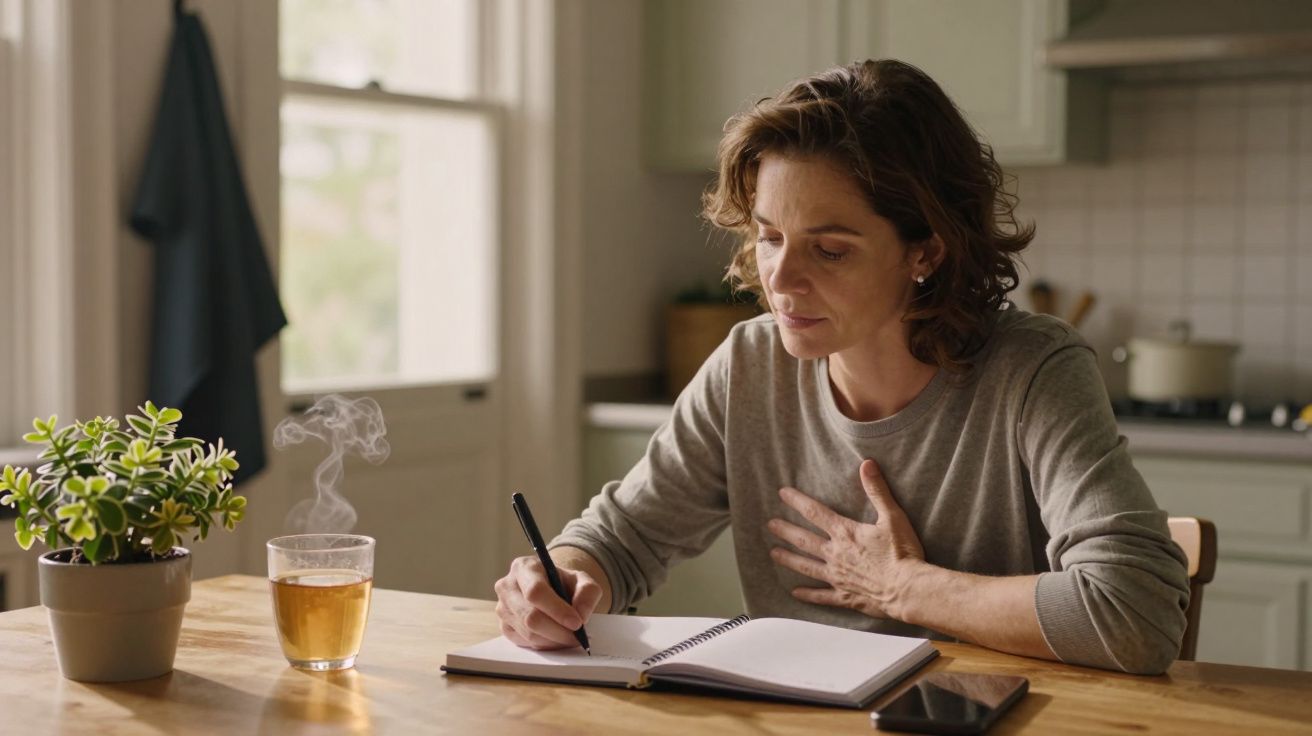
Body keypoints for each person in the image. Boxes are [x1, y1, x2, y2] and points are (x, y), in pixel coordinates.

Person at [493, 59, 1190, 675]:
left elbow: (1135, 612)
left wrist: (905, 587)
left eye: (829, 250)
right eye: (769, 237)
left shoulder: (1032, 370)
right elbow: (622, 540)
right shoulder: (750, 364)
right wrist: (558, 583)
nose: (782, 279)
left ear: (927, 251)